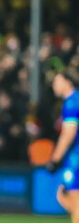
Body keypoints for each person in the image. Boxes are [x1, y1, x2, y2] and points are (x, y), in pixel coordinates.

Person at [49, 70, 79, 222]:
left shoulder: (72, 102)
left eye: (57, 81)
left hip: (76, 158)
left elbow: (69, 134)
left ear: (68, 82)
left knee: (72, 198)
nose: (54, 85)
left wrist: (55, 159)